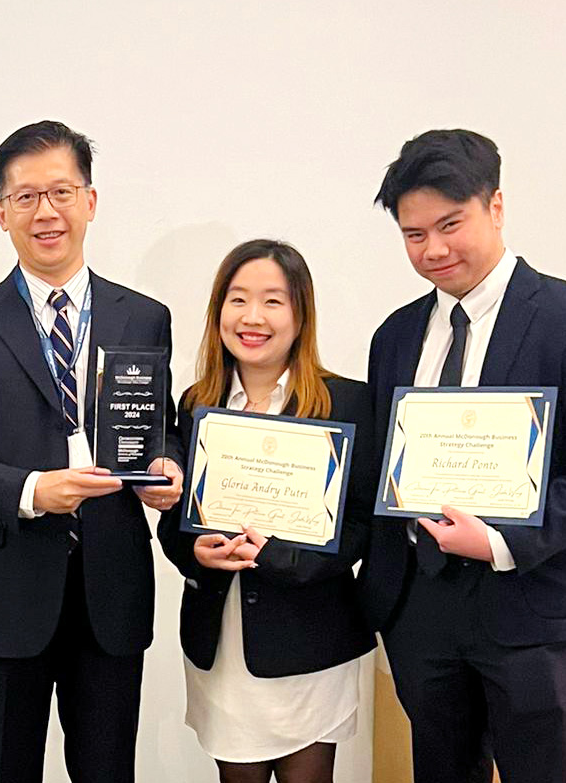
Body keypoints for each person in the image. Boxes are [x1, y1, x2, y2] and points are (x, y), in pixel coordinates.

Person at [0, 120, 183, 783]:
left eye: (61, 190)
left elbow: (161, 427)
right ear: (1, 213)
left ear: (90, 201)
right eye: (26, 196)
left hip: (110, 593)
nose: (46, 211)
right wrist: (32, 491)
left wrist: (165, 468)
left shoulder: (143, 315)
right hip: (2, 598)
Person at [360, 129, 566, 783]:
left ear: (497, 207)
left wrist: (499, 541)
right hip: (420, 613)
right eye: (413, 233)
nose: (434, 249)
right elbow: (381, 468)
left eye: (450, 224)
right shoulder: (395, 335)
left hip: (529, 609)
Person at [157, 240, 376, 783]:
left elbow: (362, 529)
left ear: (300, 314)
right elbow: (174, 521)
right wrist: (197, 553)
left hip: (309, 640)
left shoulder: (346, 403)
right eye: (238, 300)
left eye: (273, 302)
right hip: (222, 643)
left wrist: (280, 558)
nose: (253, 317)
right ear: (218, 312)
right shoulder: (195, 404)